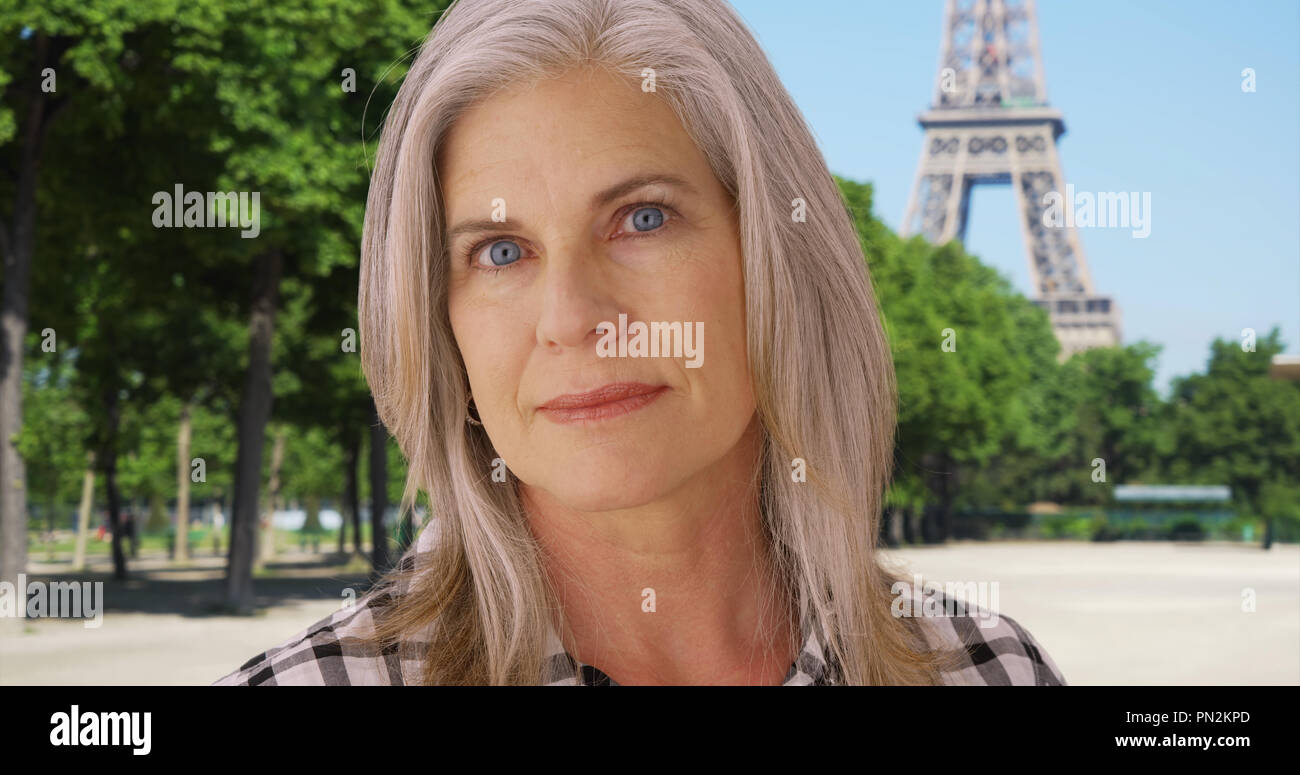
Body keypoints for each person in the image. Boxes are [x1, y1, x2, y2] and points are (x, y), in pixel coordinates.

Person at [215, 0, 1065, 686]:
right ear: (442, 320)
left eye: (642, 218)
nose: (572, 316)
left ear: (773, 254)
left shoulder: (990, 669)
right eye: (500, 252)